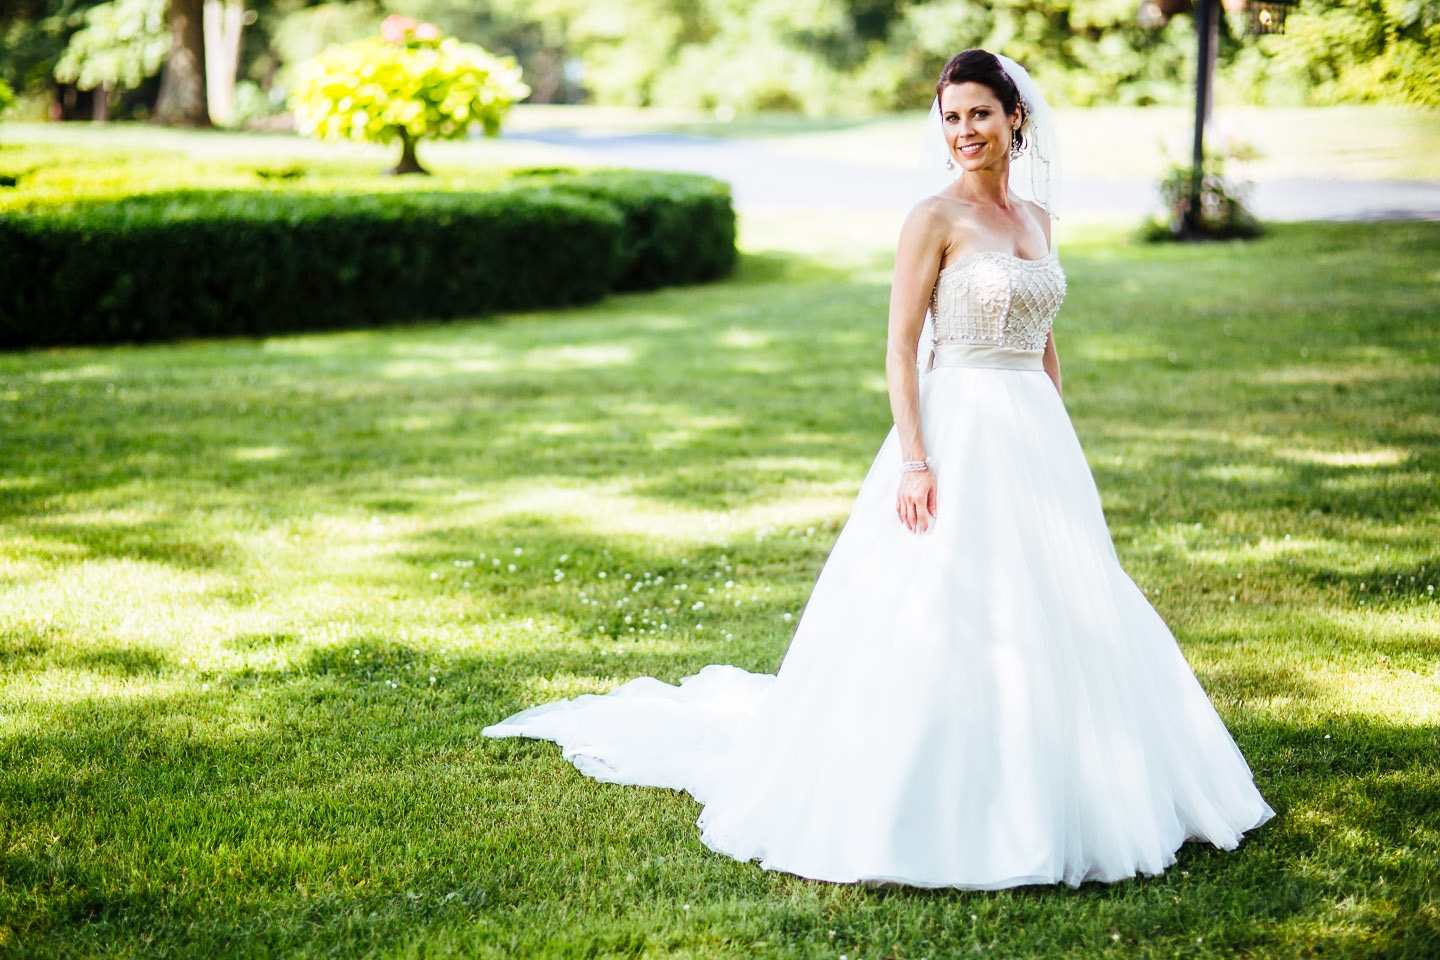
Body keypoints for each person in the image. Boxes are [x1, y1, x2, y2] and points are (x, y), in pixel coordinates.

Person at [484, 49, 1274, 890]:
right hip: (955, 424)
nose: (965, 131)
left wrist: (1060, 433)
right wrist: (915, 461)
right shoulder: (931, 218)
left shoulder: (1038, 217)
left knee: (1063, 598)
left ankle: (1083, 774)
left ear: (1016, 118)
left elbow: (1042, 337)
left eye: (979, 113)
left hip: (1033, 432)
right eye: (951, 117)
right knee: (945, 601)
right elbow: (902, 348)